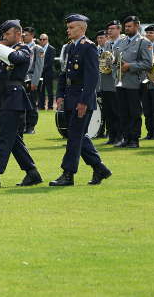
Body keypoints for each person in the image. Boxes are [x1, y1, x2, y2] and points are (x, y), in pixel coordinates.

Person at [0, 20, 43, 188]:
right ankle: (32, 173)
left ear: (18, 34)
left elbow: (14, 58)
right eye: (4, 35)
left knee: (4, 139)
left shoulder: (24, 49)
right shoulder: (3, 53)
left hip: (14, 100)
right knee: (13, 140)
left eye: (8, 34)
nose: (5, 37)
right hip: (4, 99)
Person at [50, 14, 113, 186]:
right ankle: (100, 168)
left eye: (72, 27)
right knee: (77, 135)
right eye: (68, 27)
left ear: (82, 28)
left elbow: (92, 78)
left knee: (74, 137)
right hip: (71, 97)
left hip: (82, 99)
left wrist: (84, 102)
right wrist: (60, 94)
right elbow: (65, 73)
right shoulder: (71, 47)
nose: (68, 30)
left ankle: (68, 174)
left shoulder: (89, 47)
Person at [114, 15, 153, 148]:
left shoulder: (144, 42)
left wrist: (130, 66)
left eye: (130, 26)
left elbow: (148, 64)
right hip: (121, 81)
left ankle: (134, 139)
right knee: (123, 112)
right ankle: (126, 138)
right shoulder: (121, 42)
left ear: (137, 26)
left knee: (134, 112)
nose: (127, 28)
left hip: (135, 83)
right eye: (126, 26)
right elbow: (116, 59)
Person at [21, 27, 44, 134]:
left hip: (31, 79)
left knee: (31, 104)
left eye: (25, 35)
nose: (23, 36)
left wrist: (34, 82)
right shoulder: (20, 48)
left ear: (31, 36)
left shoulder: (37, 49)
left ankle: (31, 126)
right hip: (21, 79)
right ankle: (23, 125)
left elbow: (39, 67)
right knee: (21, 104)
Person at [37, 33, 57, 110]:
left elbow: (50, 62)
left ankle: (50, 106)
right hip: (40, 73)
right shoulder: (38, 48)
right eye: (41, 39)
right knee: (41, 90)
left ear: (47, 40)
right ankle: (41, 106)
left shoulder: (51, 49)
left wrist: (41, 69)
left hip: (48, 73)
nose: (42, 41)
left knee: (49, 91)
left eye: (44, 39)